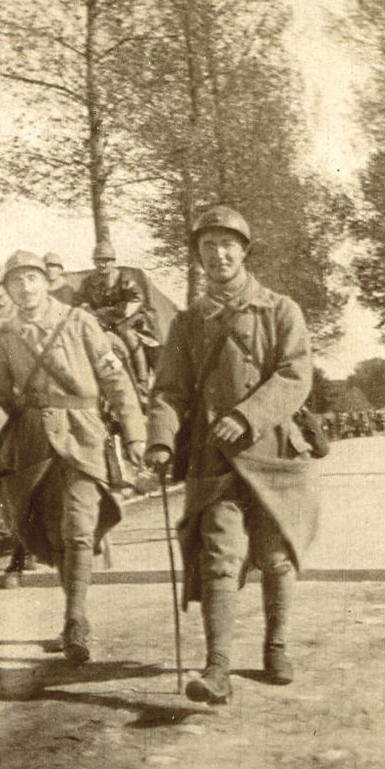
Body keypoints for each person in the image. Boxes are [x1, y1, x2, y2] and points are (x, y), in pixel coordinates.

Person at [145, 205, 319, 705]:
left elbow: (295, 374)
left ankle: (276, 646)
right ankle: (216, 668)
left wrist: (247, 416)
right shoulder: (187, 323)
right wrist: (160, 438)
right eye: (207, 248)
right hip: (213, 459)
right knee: (219, 558)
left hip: (273, 455)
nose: (218, 255)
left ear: (243, 251)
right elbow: (169, 390)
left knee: (275, 554)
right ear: (198, 258)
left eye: (227, 245)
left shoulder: (280, 309)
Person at [0, 250, 145, 664]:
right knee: (53, 535)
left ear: (45, 281)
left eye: (31, 278)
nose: (25, 287)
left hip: (82, 434)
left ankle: (75, 622)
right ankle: (75, 616)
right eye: (17, 282)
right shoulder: (6, 336)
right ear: (9, 288)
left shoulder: (77, 321)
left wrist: (135, 433)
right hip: (33, 443)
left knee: (78, 527)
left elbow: (114, 379)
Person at [76, 240, 160, 400]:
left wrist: (121, 315)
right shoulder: (88, 282)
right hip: (99, 319)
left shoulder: (123, 278)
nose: (102, 264)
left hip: (126, 318)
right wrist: (90, 312)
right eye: (99, 260)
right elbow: (80, 300)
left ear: (113, 262)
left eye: (106, 260)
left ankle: (142, 382)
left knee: (129, 336)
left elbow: (137, 298)